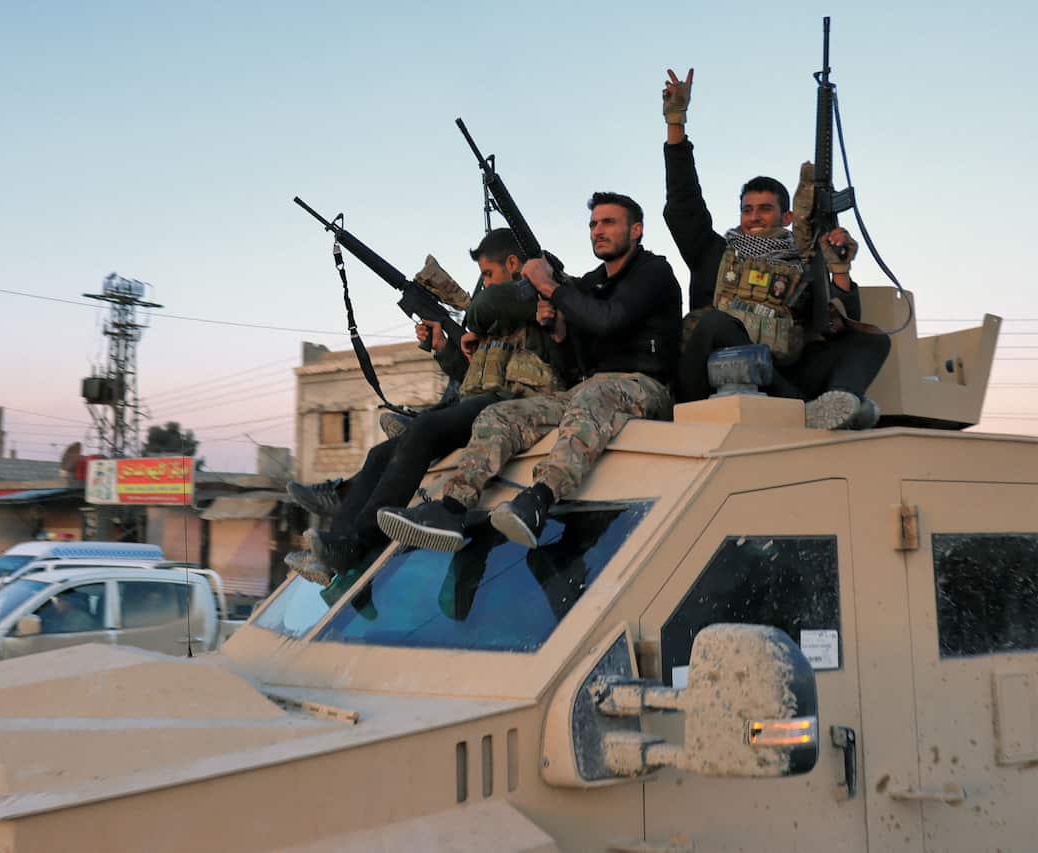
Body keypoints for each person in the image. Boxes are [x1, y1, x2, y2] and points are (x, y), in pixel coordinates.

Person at [379, 192, 680, 550]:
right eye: (593, 224)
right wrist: (557, 327)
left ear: (636, 230)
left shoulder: (653, 272)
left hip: (645, 386)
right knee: (498, 414)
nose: (598, 230)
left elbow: (609, 320)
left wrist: (550, 287)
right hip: (587, 392)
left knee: (593, 395)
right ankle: (451, 508)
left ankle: (539, 499)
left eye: (609, 222)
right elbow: (575, 348)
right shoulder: (591, 283)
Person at [284, 228, 573, 586]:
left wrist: (474, 323)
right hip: (486, 403)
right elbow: (473, 379)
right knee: (380, 454)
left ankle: (359, 541)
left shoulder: (541, 299)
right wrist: (443, 348)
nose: (484, 283)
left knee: (425, 429)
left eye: (488, 273)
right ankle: (336, 548)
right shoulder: (498, 320)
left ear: (513, 264)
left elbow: (499, 326)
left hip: (519, 406)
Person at [661, 68, 890, 428]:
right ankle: (803, 408)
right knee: (717, 323)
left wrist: (839, 269)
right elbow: (683, 203)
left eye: (764, 209)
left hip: (781, 376)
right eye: (747, 209)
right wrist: (676, 123)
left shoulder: (802, 261)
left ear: (786, 216)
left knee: (873, 340)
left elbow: (838, 323)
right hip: (710, 380)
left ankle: (840, 402)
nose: (754, 217)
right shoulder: (714, 253)